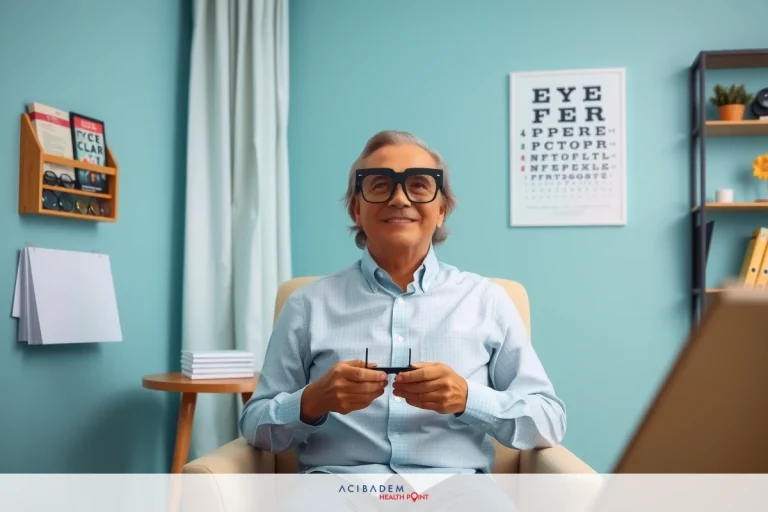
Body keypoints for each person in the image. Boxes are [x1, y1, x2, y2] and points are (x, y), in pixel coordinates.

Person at [239, 130, 567, 510]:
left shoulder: (487, 301)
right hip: (337, 489)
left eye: (419, 185)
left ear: (441, 209)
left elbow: (549, 420)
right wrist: (312, 401)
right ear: (356, 209)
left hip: (458, 491)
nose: (399, 198)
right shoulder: (306, 306)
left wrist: (468, 398)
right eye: (380, 185)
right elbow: (255, 426)